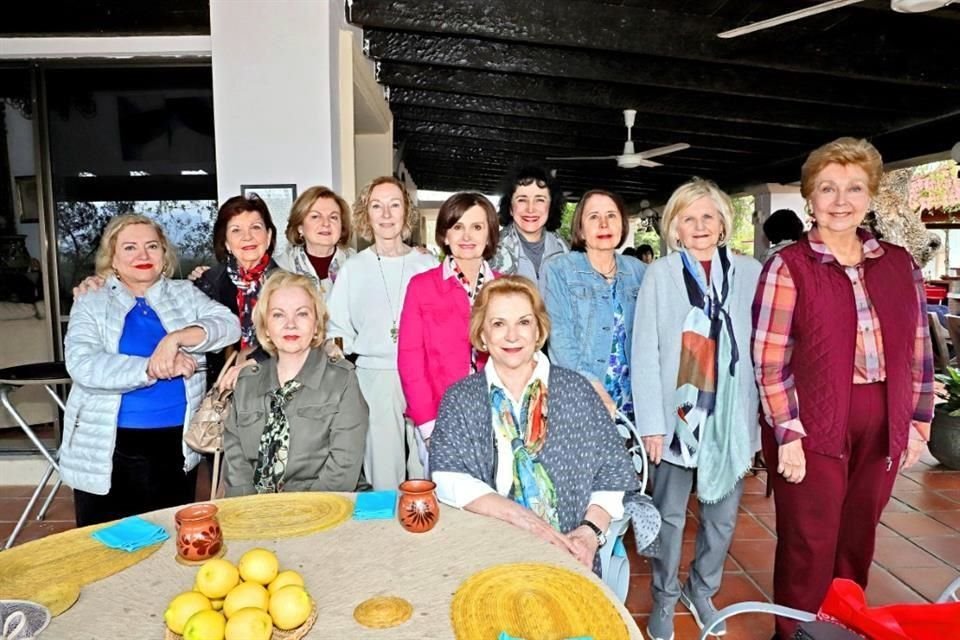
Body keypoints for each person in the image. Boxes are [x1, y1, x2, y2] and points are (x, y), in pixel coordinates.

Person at [752, 138, 933, 640]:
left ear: (870, 195)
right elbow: (770, 360)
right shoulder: (788, 267)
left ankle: (842, 630)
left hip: (884, 417)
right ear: (809, 198)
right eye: (827, 188)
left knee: (857, 541)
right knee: (808, 544)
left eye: (853, 188)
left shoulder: (900, 265)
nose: (840, 200)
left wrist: (918, 421)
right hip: (811, 423)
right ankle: (795, 635)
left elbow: (917, 348)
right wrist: (786, 433)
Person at [430, 276, 639, 572]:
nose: (512, 336)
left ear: (539, 330)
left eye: (524, 322)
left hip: (570, 552)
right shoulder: (461, 398)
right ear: (482, 334)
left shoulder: (576, 391)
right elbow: (448, 478)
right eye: (499, 324)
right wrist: (526, 522)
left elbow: (613, 472)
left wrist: (589, 533)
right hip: (486, 556)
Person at [631, 178, 761, 640]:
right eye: (689, 218)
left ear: (724, 224)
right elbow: (644, 351)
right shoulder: (660, 275)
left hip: (730, 417)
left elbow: (761, 347)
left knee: (722, 517)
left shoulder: (750, 272)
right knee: (668, 515)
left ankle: (701, 590)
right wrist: (650, 423)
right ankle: (664, 597)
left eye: (708, 217)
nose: (700, 226)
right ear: (674, 228)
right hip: (676, 418)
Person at [62, 215, 240, 526]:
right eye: (130, 247)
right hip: (110, 444)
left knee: (167, 542)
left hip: (176, 443)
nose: (143, 256)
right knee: (105, 547)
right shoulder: (92, 300)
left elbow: (229, 326)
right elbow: (83, 363)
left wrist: (176, 339)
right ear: (112, 259)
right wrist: (152, 367)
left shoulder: (185, 294)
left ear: (164, 254)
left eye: (152, 246)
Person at [326, 176, 436, 490]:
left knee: (426, 461)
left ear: (406, 212)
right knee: (382, 468)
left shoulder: (426, 264)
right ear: (366, 213)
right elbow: (336, 327)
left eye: (394, 205)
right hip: (374, 375)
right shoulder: (353, 268)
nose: (386, 214)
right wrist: (338, 350)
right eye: (377, 206)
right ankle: (386, 533)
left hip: (423, 374)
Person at [222, 271, 368, 495]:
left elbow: (343, 467)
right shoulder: (246, 384)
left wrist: (301, 517)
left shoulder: (342, 380)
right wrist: (250, 514)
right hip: (259, 514)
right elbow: (236, 463)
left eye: (302, 314)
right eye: (278, 315)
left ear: (317, 325)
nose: (290, 325)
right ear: (266, 327)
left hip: (324, 507)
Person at [398, 192, 499, 472]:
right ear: (444, 235)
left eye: (477, 227)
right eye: (458, 227)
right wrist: (429, 427)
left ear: (490, 235)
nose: (467, 236)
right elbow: (410, 362)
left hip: (497, 420)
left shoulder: (504, 288)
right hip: (440, 418)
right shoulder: (421, 287)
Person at [541, 189, 646, 420]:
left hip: (633, 403)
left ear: (622, 224)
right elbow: (560, 339)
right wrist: (593, 386)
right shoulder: (559, 269)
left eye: (611, 216)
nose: (604, 224)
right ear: (580, 229)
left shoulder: (639, 271)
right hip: (581, 398)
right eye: (593, 217)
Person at [194, 194, 280, 390]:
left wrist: (255, 358)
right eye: (236, 230)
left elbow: (298, 336)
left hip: (275, 385)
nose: (247, 236)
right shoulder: (208, 283)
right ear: (226, 243)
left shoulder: (288, 285)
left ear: (268, 237)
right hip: (221, 390)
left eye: (255, 228)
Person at [273, 185, 356, 301]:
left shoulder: (358, 265)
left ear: (341, 226)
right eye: (316, 216)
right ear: (300, 227)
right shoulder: (278, 269)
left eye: (333, 217)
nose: (326, 223)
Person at [490, 165, 569, 285]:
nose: (530, 209)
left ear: (551, 206)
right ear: (510, 207)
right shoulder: (491, 251)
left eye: (540, 200)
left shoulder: (564, 250)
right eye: (522, 200)